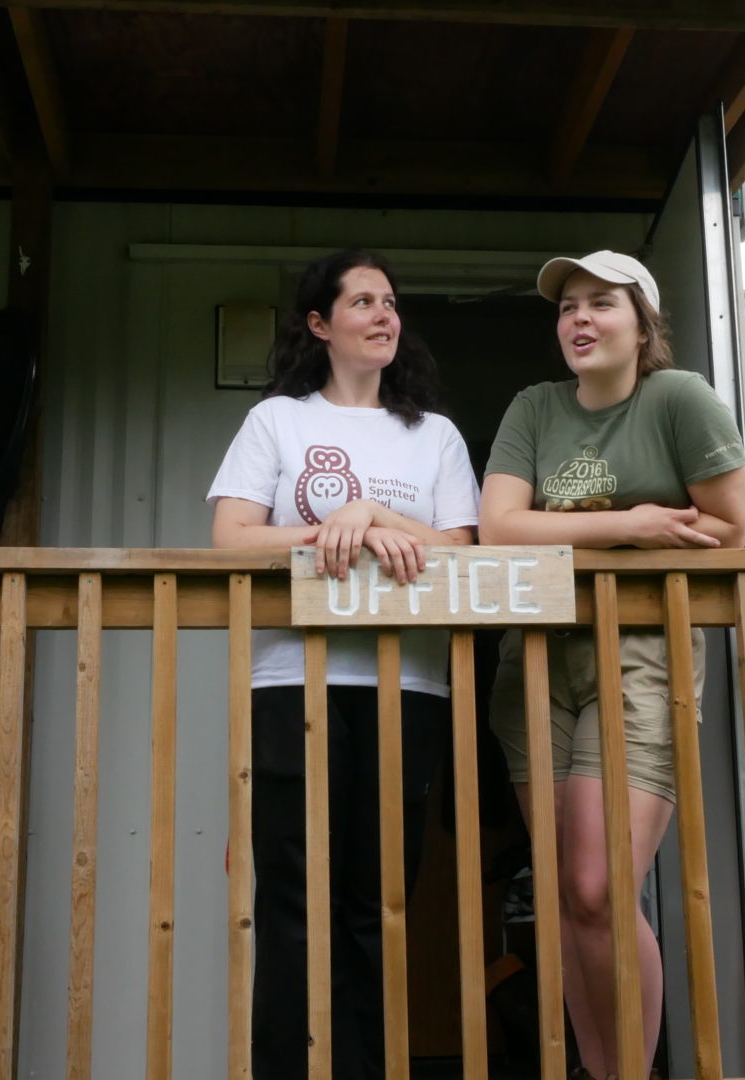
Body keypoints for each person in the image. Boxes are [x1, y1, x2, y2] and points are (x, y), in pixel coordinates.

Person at [207, 249, 479, 1080]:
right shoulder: (277, 423)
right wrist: (337, 530)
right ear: (320, 325)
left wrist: (373, 509)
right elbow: (231, 539)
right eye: (362, 301)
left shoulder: (434, 435)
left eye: (391, 302)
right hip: (292, 685)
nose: (383, 314)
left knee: (379, 904)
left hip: (410, 690)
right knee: (291, 904)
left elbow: (464, 547)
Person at [480, 250, 745, 1080]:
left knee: (598, 887)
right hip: (532, 662)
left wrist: (580, 532)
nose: (579, 320)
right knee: (565, 901)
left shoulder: (678, 398)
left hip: (638, 658)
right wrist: (630, 521)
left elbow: (728, 527)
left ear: (643, 323)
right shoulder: (535, 407)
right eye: (567, 308)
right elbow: (499, 528)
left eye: (601, 303)